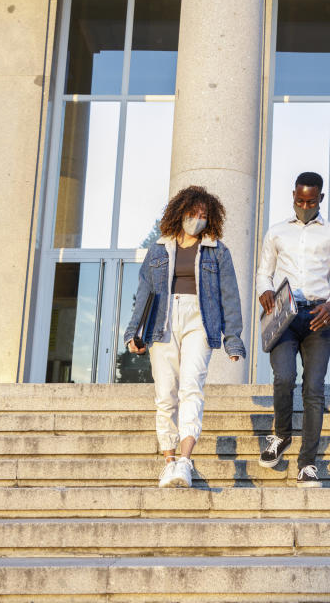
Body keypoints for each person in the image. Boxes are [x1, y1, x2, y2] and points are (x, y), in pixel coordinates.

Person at [125, 185, 245, 489]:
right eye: (193, 213)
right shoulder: (159, 249)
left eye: (204, 215)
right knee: (165, 393)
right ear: (181, 213)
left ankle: (185, 460)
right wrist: (132, 333)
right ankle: (168, 462)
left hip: (199, 320)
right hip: (162, 321)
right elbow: (144, 293)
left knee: (192, 387)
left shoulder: (218, 251)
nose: (198, 220)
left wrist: (232, 338)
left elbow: (229, 296)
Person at [255, 172, 330, 487]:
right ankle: (281, 435)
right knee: (283, 378)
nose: (304, 205)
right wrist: (264, 290)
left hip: (318, 316)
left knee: (314, 389)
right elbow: (263, 272)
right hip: (283, 314)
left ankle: (307, 463)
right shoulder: (277, 232)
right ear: (293, 196)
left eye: (310, 201)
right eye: (299, 200)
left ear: (321, 199)